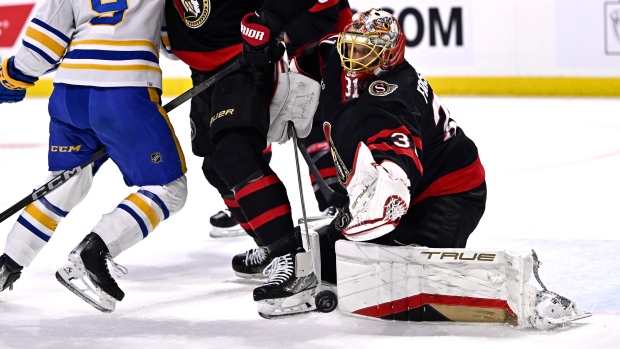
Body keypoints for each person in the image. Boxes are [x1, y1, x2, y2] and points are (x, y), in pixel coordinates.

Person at [0, 0, 187, 313]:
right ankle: (94, 251)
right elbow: (174, 42)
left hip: (70, 95)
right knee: (168, 188)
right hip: (125, 92)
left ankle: (8, 263)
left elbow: (44, 44)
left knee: (65, 183)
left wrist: (12, 76)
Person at [164, 0, 324, 317]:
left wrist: (269, 19)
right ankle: (270, 244)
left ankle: (293, 261)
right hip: (203, 75)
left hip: (247, 63)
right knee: (215, 167)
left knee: (234, 155)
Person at [209, 0, 352, 239]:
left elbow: (325, 12)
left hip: (324, 50)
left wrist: (284, 36)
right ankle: (250, 202)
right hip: (273, 54)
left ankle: (337, 198)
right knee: (250, 126)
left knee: (316, 127)